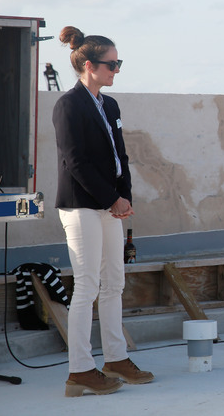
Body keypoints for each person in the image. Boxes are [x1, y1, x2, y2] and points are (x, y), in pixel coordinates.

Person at [53, 26, 154, 396]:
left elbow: (120, 156)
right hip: (82, 206)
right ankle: (80, 370)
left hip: (111, 205)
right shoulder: (68, 105)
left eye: (118, 63)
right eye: (112, 64)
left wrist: (123, 197)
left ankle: (115, 358)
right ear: (90, 65)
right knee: (87, 285)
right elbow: (74, 161)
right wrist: (110, 198)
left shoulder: (109, 105)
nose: (117, 70)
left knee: (115, 283)